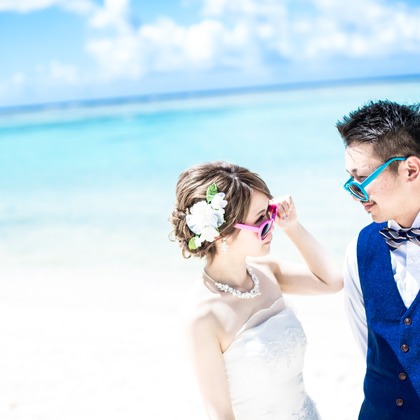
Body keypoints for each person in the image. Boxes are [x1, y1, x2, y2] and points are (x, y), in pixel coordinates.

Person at [170, 161, 343, 419]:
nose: (271, 225)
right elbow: (219, 414)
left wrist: (293, 227)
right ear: (221, 234)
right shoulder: (203, 316)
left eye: (270, 213)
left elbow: (333, 281)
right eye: (261, 221)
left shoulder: (268, 271)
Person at [336, 100, 420, 419]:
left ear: (410, 170)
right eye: (350, 180)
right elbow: (368, 347)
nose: (354, 192)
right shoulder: (360, 249)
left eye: (362, 178)